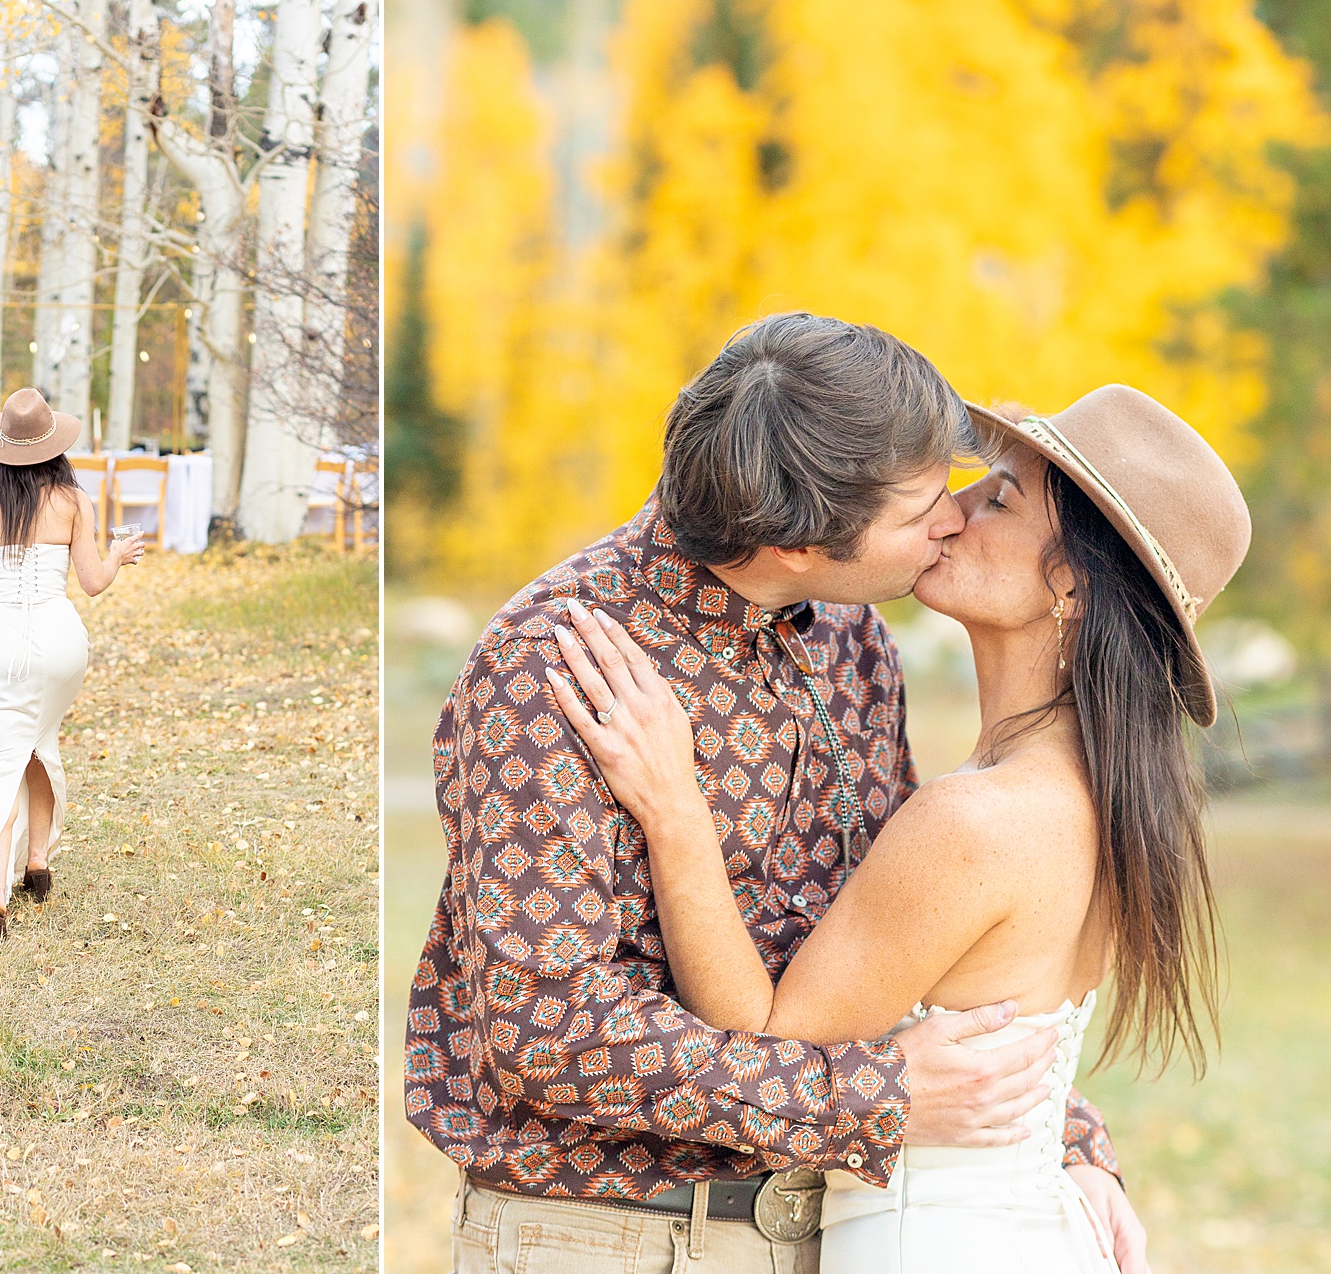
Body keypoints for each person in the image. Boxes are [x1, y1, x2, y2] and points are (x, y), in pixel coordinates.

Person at [406, 314, 1149, 1274]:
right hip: (615, 1240)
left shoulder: (847, 637)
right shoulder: (557, 670)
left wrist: (1063, 1139)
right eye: (923, 505)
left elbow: (905, 936)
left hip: (830, 1227)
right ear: (797, 543)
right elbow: (549, 1032)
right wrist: (873, 1101)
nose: (956, 516)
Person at [549, 383, 1243, 1272]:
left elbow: (766, 1039)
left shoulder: (979, 819)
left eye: (998, 498)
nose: (953, 513)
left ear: (1067, 576)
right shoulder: (1099, 793)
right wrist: (1078, 1146)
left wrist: (674, 807)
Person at [0, 387, 146, 942]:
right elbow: (94, 582)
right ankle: (37, 864)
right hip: (61, 642)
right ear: (53, 445)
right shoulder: (74, 501)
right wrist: (119, 556)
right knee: (39, 740)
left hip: (4, 639)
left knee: (6, 755)